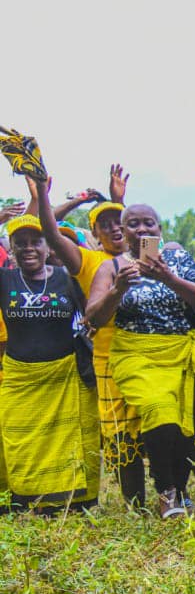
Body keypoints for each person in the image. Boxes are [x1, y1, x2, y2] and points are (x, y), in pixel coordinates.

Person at [85, 204, 195, 518]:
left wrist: (168, 278)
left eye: (149, 223)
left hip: (181, 352)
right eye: (133, 224)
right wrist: (117, 289)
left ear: (160, 229)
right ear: (123, 230)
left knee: (184, 428)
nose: (142, 230)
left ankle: (180, 492)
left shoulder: (175, 256)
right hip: (136, 353)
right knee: (159, 410)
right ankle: (166, 492)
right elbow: (94, 317)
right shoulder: (113, 266)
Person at [30, 168, 146, 503]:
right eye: (104, 224)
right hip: (108, 354)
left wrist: (119, 200)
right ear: (94, 232)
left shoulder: (144, 255)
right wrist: (43, 192)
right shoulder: (87, 260)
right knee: (122, 434)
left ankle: (174, 491)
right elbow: (50, 233)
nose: (113, 227)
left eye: (117, 221)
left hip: (149, 349)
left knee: (159, 422)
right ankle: (136, 503)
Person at [0, 215, 100, 511]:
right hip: (20, 378)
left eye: (36, 242)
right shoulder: (5, 280)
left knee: (71, 439)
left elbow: (92, 317)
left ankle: (73, 501)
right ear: (12, 249)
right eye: (21, 244)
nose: (28, 248)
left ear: (48, 246)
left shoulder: (67, 279)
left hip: (66, 375)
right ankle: (22, 498)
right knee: (17, 437)